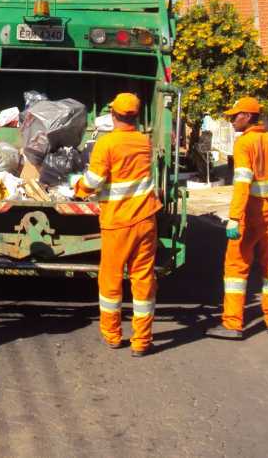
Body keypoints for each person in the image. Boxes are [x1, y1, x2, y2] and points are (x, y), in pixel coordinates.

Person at [74, 93, 162, 357]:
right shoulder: (144, 142)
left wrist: (78, 188)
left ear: (113, 115)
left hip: (118, 222)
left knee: (111, 279)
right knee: (143, 278)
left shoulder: (107, 144)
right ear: (135, 115)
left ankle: (113, 335)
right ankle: (141, 341)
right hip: (146, 218)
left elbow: (94, 180)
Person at [207, 97, 268, 339]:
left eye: (235, 116)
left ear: (247, 116)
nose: (231, 120)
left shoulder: (245, 144)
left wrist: (234, 217)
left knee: (236, 267)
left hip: (250, 213)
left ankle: (233, 324)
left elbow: (242, 183)